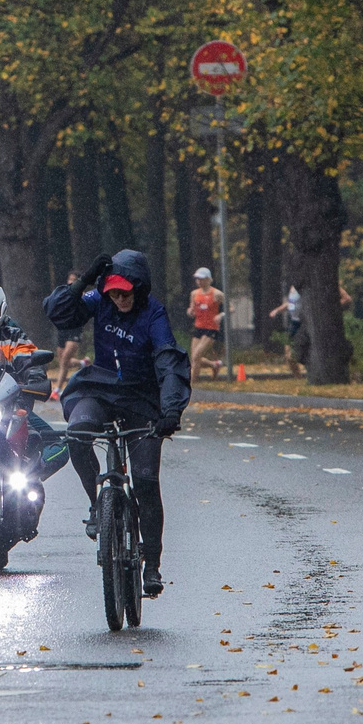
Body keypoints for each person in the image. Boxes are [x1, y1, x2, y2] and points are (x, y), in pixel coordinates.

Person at [45, 250, 190, 598]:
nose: (120, 299)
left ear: (138, 289)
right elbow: (58, 312)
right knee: (77, 434)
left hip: (142, 397)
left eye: (125, 293)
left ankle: (151, 564)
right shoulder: (100, 301)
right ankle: (98, 505)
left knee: (145, 480)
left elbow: (168, 361)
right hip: (100, 387)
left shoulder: (153, 312)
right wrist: (84, 280)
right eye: (113, 293)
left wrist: (171, 409)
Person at [186, 268, 224, 378]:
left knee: (196, 356)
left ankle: (192, 384)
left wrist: (221, 315)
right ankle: (214, 365)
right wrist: (190, 312)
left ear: (208, 279)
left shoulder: (217, 293)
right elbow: (192, 309)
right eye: (197, 279)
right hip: (198, 327)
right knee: (194, 358)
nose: (199, 281)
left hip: (211, 328)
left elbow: (230, 307)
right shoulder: (194, 293)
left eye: (202, 279)